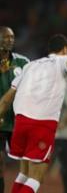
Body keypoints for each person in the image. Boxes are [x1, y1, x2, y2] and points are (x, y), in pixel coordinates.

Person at [0, 34, 67, 193]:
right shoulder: (61, 61)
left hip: (20, 122)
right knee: (36, 176)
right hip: (41, 123)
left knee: (24, 172)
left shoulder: (29, 66)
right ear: (66, 49)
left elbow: (6, 99)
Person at [0, 26, 29, 193]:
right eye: (5, 37)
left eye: (12, 37)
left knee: (26, 163)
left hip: (18, 121)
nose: (10, 40)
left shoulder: (22, 62)